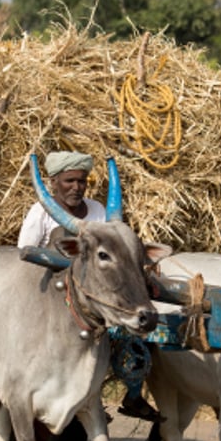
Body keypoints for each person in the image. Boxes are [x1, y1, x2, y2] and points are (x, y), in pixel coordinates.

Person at [18, 150, 161, 422]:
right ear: (54, 182)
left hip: (97, 293)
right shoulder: (40, 213)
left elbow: (113, 252)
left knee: (136, 332)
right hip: (52, 294)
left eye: (82, 181)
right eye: (69, 181)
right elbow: (24, 255)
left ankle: (130, 393)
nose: (76, 187)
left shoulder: (97, 211)